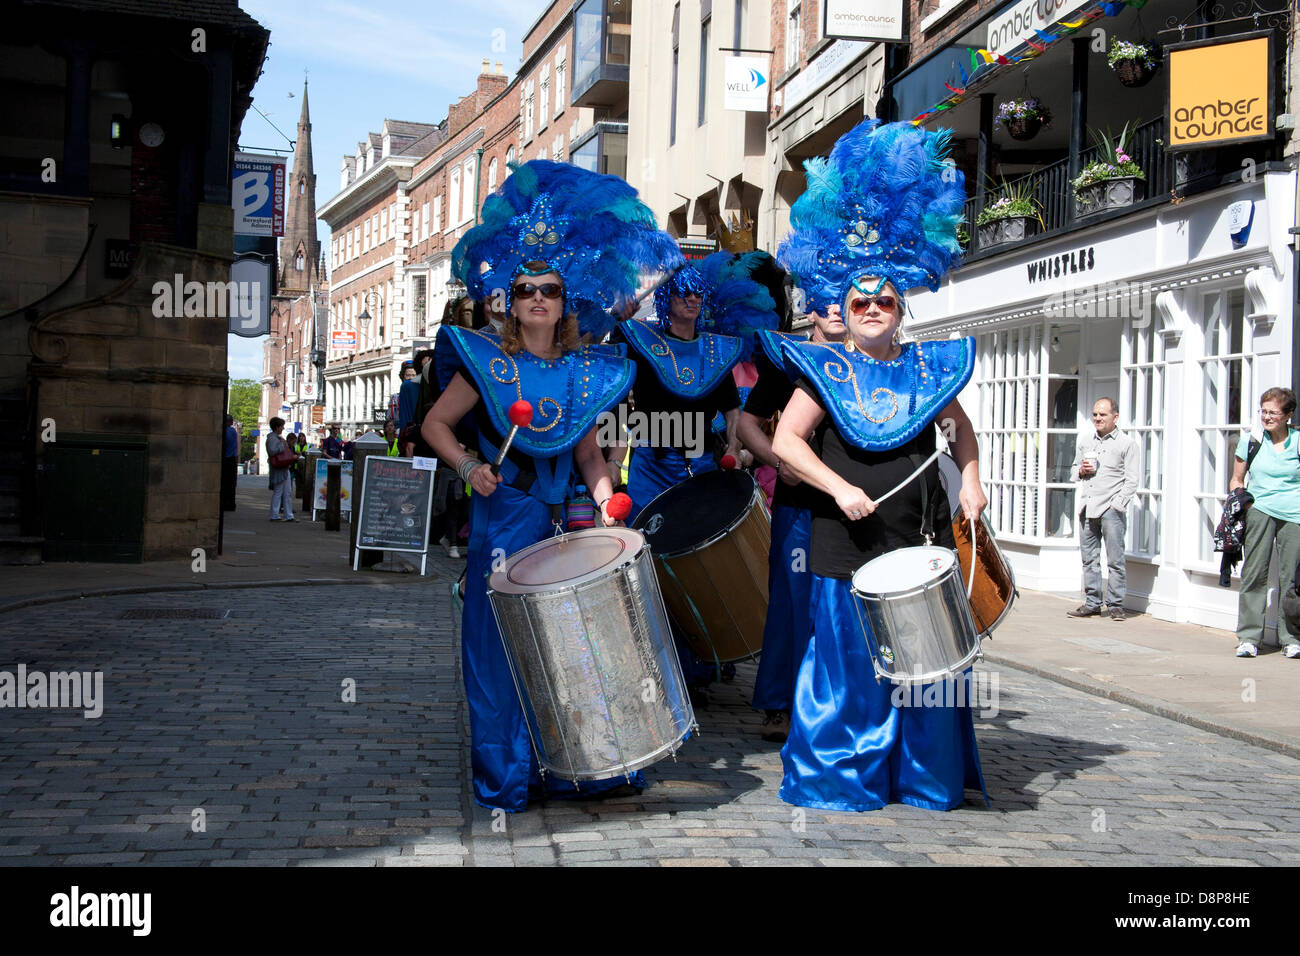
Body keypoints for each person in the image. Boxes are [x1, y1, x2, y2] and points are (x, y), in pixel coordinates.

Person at [424, 159, 681, 813]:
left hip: (562, 523)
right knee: (498, 650)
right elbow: (435, 425)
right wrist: (466, 467)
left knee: (569, 645)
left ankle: (572, 764)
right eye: (528, 288)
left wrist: (607, 505)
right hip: (505, 518)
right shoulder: (485, 364)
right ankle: (507, 775)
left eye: (552, 290)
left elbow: (592, 456)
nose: (539, 298)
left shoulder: (583, 373)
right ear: (511, 299)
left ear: (569, 302)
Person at [770, 118, 986, 813]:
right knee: (850, 673)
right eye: (859, 301)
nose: (869, 310)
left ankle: (921, 778)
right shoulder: (823, 370)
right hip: (845, 543)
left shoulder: (930, 369)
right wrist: (837, 488)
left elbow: (963, 434)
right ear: (843, 305)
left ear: (900, 306)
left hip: (916, 542)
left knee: (926, 671)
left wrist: (974, 482)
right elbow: (785, 444)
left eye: (882, 301)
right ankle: (841, 778)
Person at [737, 308, 845, 742]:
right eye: (826, 302)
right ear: (811, 311)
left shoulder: (873, 361)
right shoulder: (789, 362)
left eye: (843, 299)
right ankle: (780, 703)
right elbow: (747, 425)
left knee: (839, 606)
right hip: (799, 507)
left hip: (852, 506)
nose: (836, 310)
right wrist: (780, 462)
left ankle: (838, 700)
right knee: (792, 601)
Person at [1230, 386, 1300, 658]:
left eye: (1273, 412)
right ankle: (1248, 637)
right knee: (1254, 573)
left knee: (1291, 579)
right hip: (1260, 511)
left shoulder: (1297, 441)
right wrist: (1246, 502)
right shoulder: (1251, 441)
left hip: (1294, 514)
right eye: (1263, 411)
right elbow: (1237, 479)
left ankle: (1291, 638)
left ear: (1288, 415)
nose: (1266, 417)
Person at [1066, 398, 1139, 621]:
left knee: (1115, 560)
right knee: (1089, 558)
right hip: (1088, 506)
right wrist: (1081, 471)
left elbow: (1132, 480)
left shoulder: (1126, 444)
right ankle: (1092, 602)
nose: (1097, 418)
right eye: (1095, 414)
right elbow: (1073, 471)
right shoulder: (1086, 441)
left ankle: (1116, 605)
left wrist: (1116, 505)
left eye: (1102, 415)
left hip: (1110, 508)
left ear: (1115, 417)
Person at [265, 417, 298, 522]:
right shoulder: (272, 439)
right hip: (279, 468)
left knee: (287, 492)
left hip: (283, 468)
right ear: (277, 427)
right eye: (282, 426)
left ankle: (289, 515)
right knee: (278, 491)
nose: (283, 428)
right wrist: (282, 445)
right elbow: (272, 451)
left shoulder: (277, 438)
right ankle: (274, 514)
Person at [221, 415, 239, 511]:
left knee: (225, 483)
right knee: (231, 484)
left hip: (226, 458)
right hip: (233, 458)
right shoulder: (233, 431)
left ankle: (225, 503)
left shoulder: (227, 431)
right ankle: (231, 503)